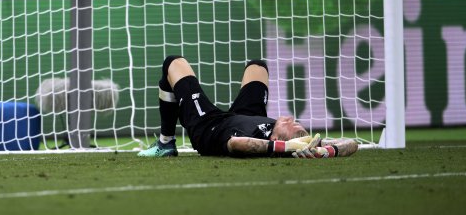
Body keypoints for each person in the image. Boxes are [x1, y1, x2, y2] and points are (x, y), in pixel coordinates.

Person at [138, 56, 358, 158]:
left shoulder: (263, 142)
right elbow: (353, 144)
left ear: (278, 141)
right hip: (248, 115)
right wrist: (328, 150)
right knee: (257, 66)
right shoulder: (302, 145)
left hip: (209, 127)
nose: (293, 120)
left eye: (295, 129)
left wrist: (286, 148)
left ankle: (165, 143)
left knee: (173, 63)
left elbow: (236, 144)